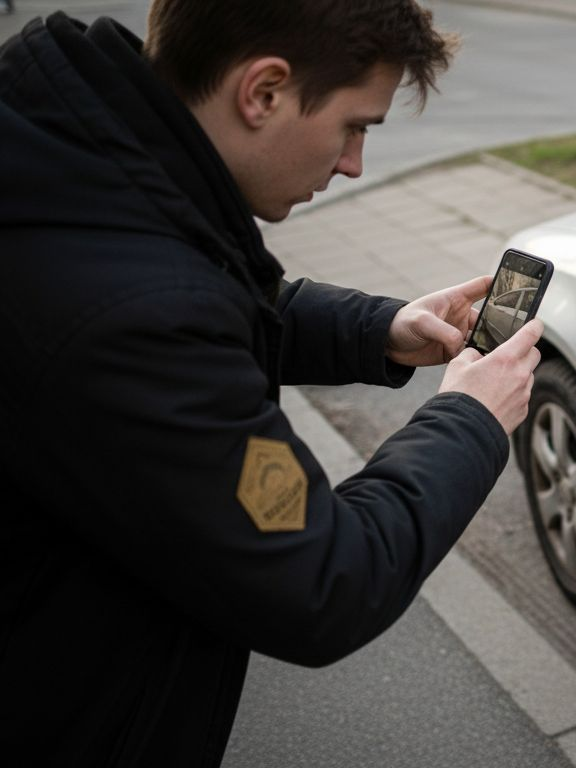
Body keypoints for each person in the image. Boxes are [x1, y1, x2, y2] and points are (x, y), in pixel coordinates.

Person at [0, 1, 542, 765]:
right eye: (354, 126)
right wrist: (470, 419)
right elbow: (322, 580)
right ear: (264, 91)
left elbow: (208, 297)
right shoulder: (134, 317)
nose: (354, 164)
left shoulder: (82, 158)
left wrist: (378, 329)